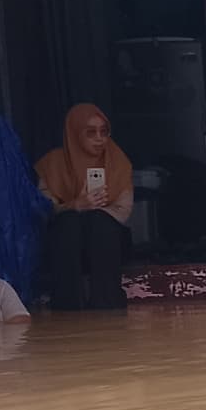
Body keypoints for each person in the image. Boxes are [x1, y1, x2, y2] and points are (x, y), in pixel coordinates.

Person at [35, 102, 134, 311]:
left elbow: (124, 210)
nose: (99, 138)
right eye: (91, 132)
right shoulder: (53, 164)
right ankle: (68, 305)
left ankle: (107, 304)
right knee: (68, 223)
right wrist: (75, 205)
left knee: (100, 222)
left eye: (104, 132)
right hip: (68, 245)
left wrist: (95, 210)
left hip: (105, 243)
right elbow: (43, 209)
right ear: (74, 134)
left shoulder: (118, 162)